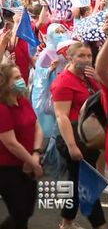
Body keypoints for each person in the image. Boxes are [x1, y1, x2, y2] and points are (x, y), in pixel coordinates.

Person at [51, 42, 105, 229]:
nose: (86, 60)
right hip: (73, 137)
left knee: (74, 183)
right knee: (87, 183)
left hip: (90, 137)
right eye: (81, 56)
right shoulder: (64, 81)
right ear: (70, 57)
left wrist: (99, 78)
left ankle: (66, 223)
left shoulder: (89, 77)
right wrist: (72, 146)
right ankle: (99, 224)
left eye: (89, 56)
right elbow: (61, 116)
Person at [0, 64, 43, 229]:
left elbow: (37, 126)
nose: (22, 80)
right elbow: (11, 143)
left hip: (29, 162)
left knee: (26, 211)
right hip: (8, 168)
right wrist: (33, 162)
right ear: (5, 83)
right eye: (16, 78)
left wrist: (35, 154)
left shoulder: (23, 101)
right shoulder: (3, 109)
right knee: (19, 213)